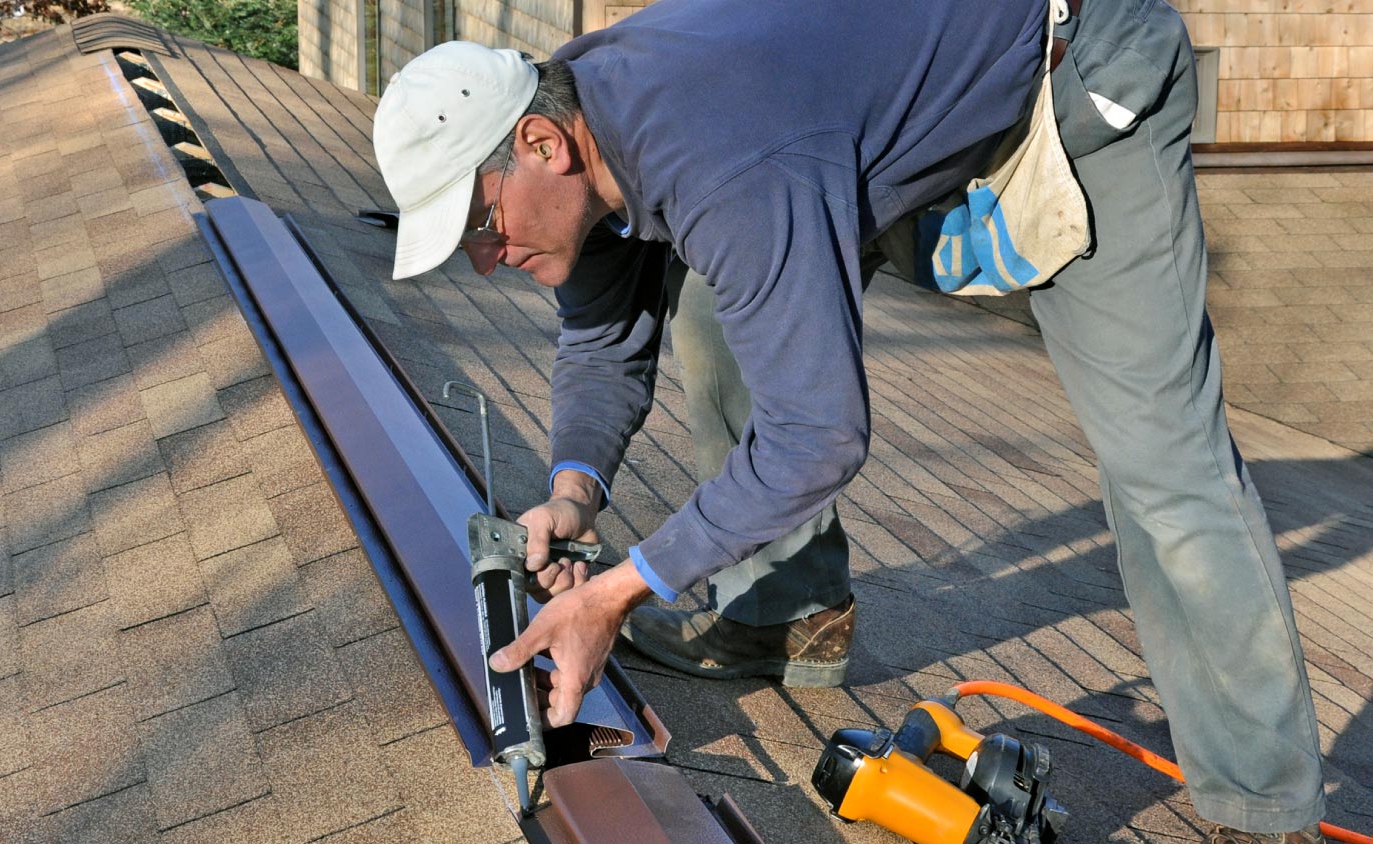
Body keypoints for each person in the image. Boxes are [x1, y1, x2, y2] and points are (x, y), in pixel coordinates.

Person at [370, 2, 1327, 841]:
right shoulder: (581, 104)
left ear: (544, 145)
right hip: (855, 119)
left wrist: (620, 588)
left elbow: (818, 433)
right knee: (720, 311)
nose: (487, 261)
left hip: (1073, 80)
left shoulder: (722, 154)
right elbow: (603, 335)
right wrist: (572, 495)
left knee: (1163, 462)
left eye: (482, 227)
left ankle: (1263, 805)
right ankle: (790, 616)